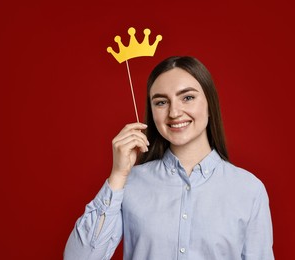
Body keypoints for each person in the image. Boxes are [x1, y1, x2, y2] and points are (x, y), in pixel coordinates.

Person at [64, 56, 274, 260]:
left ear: (210, 104)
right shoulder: (130, 184)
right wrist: (118, 175)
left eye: (187, 98)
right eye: (161, 102)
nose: (174, 112)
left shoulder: (249, 190)